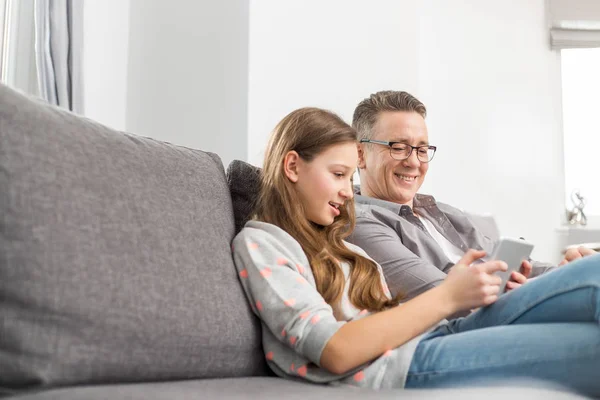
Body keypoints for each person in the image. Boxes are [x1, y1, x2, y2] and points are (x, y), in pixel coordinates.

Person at [232, 106, 600, 396]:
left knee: (592, 271)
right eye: (339, 174)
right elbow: (335, 349)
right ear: (293, 165)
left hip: (439, 333)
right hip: (402, 364)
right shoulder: (263, 242)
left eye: (348, 178)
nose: (348, 192)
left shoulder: (336, 241)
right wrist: (447, 296)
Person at [348, 90, 597, 304]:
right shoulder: (360, 222)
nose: (414, 162)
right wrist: (549, 288)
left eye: (422, 149)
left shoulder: (440, 211)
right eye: (398, 147)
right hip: (473, 323)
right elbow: (445, 296)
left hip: (509, 303)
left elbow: (513, 266)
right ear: (360, 155)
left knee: (590, 270)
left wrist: (565, 271)